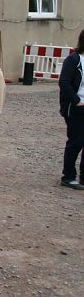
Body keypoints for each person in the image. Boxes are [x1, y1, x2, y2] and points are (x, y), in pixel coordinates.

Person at [59, 29, 84, 191]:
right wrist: (76, 101)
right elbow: (64, 82)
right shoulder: (74, 60)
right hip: (76, 107)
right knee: (76, 141)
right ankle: (68, 176)